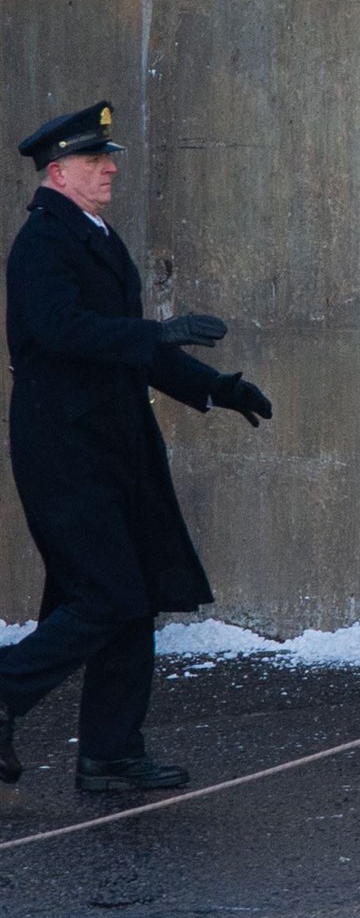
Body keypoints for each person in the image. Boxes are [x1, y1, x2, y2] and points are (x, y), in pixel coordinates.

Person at [0, 101, 272, 791]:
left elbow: (129, 347)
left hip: (110, 447)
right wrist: (156, 333)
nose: (110, 169)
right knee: (107, 597)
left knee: (128, 596)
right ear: (57, 172)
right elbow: (62, 329)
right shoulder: (43, 243)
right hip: (66, 450)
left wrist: (217, 388)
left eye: (109, 158)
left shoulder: (94, 235)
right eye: (96, 161)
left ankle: (110, 754)